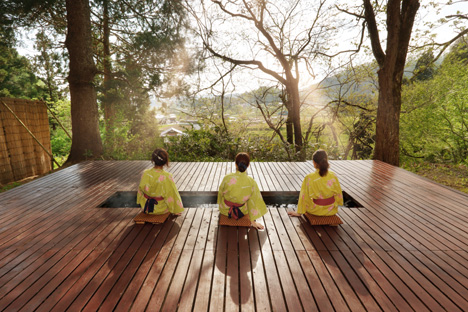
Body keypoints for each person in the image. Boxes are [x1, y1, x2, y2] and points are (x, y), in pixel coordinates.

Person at [218, 152, 267, 229]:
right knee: (250, 198)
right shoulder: (251, 182)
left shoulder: (227, 178)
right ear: (248, 165)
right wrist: (253, 221)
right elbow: (254, 200)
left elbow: (220, 194)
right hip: (242, 211)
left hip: (225, 210)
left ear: (235, 164)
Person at [288, 149, 343, 218]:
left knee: (309, 201)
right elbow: (338, 193)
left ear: (314, 162)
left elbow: (304, 196)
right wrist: (338, 202)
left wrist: (299, 212)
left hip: (315, 210)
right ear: (326, 161)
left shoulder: (309, 177)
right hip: (331, 210)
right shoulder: (333, 175)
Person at [137, 148, 184, 216]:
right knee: (170, 194)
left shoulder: (145, 173)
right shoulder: (167, 176)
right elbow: (172, 194)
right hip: (161, 209)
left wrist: (139, 201)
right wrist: (175, 210)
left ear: (153, 160)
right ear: (165, 161)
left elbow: (140, 190)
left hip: (146, 207)